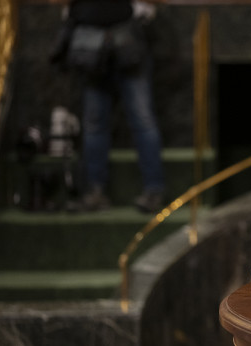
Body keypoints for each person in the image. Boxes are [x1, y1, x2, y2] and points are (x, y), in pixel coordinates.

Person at [64, 0, 165, 212]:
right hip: (89, 41)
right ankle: (95, 192)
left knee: (142, 119)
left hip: (128, 35)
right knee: (94, 123)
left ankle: (154, 190)